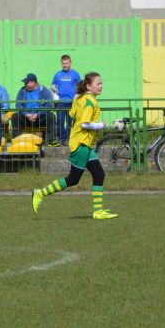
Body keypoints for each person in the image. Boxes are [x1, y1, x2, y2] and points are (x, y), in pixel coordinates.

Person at [31, 72, 117, 220]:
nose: (101, 86)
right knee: (73, 179)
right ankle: (40, 193)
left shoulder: (80, 98)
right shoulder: (90, 101)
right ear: (88, 86)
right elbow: (84, 123)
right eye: (98, 83)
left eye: (101, 83)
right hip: (81, 144)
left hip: (83, 143)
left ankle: (98, 211)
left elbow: (72, 114)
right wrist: (100, 125)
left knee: (99, 174)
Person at [12, 73, 55, 141]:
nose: (25, 84)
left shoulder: (44, 90)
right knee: (15, 116)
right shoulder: (22, 90)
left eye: (26, 83)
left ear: (33, 82)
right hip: (26, 118)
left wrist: (37, 114)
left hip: (39, 119)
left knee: (51, 116)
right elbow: (18, 105)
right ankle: (16, 140)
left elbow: (49, 105)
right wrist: (26, 114)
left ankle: (49, 141)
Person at [51, 55, 81, 144]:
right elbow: (52, 86)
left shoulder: (75, 74)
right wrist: (57, 93)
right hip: (60, 102)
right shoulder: (58, 74)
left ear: (70, 63)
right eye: (63, 63)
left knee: (70, 122)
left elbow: (80, 87)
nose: (65, 65)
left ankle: (70, 139)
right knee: (60, 121)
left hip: (72, 102)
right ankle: (62, 139)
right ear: (61, 64)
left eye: (67, 63)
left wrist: (77, 95)